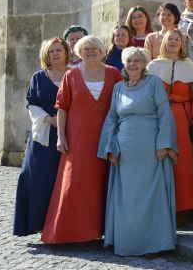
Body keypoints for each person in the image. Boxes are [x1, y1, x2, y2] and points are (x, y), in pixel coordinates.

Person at [97, 47, 177, 257]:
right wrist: (110, 149)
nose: (132, 65)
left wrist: (164, 144)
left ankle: (154, 244)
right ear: (124, 64)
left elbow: (165, 114)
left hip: (150, 150)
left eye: (136, 61)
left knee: (151, 197)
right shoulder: (118, 88)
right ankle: (128, 242)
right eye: (129, 61)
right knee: (128, 199)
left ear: (143, 64)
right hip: (125, 153)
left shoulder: (154, 83)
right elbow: (112, 118)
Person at [42, 36, 122, 244]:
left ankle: (103, 233)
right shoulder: (71, 75)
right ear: (78, 52)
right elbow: (62, 108)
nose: (90, 51)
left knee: (103, 182)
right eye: (85, 48)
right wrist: (61, 136)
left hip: (107, 137)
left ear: (102, 50)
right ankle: (72, 233)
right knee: (76, 183)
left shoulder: (114, 74)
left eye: (94, 48)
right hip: (78, 138)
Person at [13, 38, 71, 236]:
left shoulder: (75, 75)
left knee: (62, 180)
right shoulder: (39, 77)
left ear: (66, 52)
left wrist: (64, 122)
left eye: (58, 50)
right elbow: (31, 102)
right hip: (44, 135)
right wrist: (49, 119)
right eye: (51, 51)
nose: (55, 54)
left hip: (70, 134)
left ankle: (60, 226)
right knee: (34, 177)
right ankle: (36, 223)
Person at [146, 29, 193, 220]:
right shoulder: (153, 66)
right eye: (170, 39)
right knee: (161, 162)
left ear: (182, 43)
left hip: (181, 118)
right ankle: (161, 210)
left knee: (182, 163)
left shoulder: (191, 67)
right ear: (164, 42)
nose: (174, 42)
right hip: (159, 119)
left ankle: (184, 210)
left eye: (178, 39)